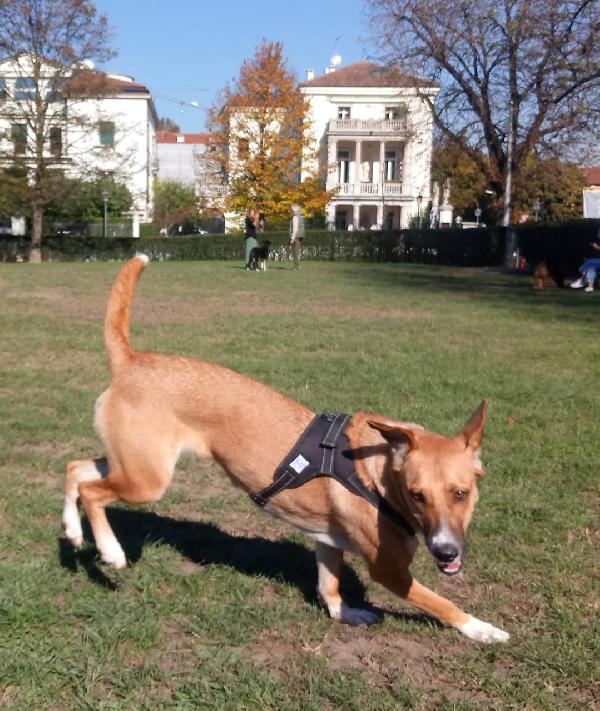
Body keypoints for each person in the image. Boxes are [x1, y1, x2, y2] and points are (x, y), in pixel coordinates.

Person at [289, 203, 304, 270]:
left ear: (295, 210)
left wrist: (292, 239)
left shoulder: (295, 217)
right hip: (299, 236)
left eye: (292, 209)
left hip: (295, 237)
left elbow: (295, 229)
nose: (291, 210)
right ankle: (297, 266)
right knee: (296, 252)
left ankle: (296, 266)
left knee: (295, 252)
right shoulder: (300, 216)